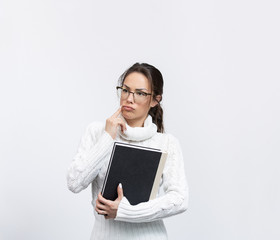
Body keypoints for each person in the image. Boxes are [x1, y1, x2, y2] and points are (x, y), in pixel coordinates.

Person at [66, 63, 188, 239]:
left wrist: (126, 212)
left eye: (140, 93)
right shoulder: (97, 132)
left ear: (155, 100)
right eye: (125, 90)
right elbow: (74, 182)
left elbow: (180, 199)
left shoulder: (167, 143)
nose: (129, 99)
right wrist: (108, 138)